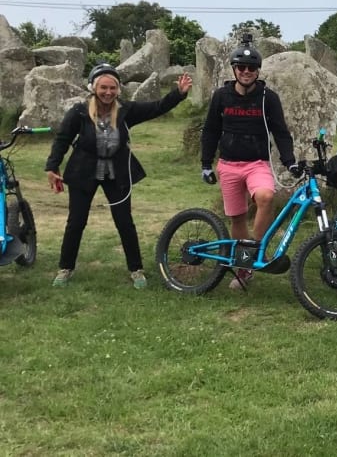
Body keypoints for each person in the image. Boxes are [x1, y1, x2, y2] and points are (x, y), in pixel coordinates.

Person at [45, 63, 193, 288]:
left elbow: (156, 107)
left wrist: (179, 94)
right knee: (76, 222)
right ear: (94, 88)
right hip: (84, 170)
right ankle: (65, 268)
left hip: (117, 171)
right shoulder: (80, 111)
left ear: (118, 89)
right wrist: (52, 167)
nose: (108, 92)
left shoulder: (126, 110)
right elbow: (62, 139)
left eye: (112, 88)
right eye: (103, 88)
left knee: (124, 221)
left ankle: (136, 270)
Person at [200, 35, 301, 290]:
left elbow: (281, 133)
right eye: (241, 68)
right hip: (229, 164)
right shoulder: (221, 96)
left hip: (257, 163)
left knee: (266, 197)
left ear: (258, 71)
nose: (246, 72)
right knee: (237, 219)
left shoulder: (269, 98)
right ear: (234, 69)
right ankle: (244, 269)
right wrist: (205, 163)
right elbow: (211, 130)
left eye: (251, 68)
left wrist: (289, 162)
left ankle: (255, 253)